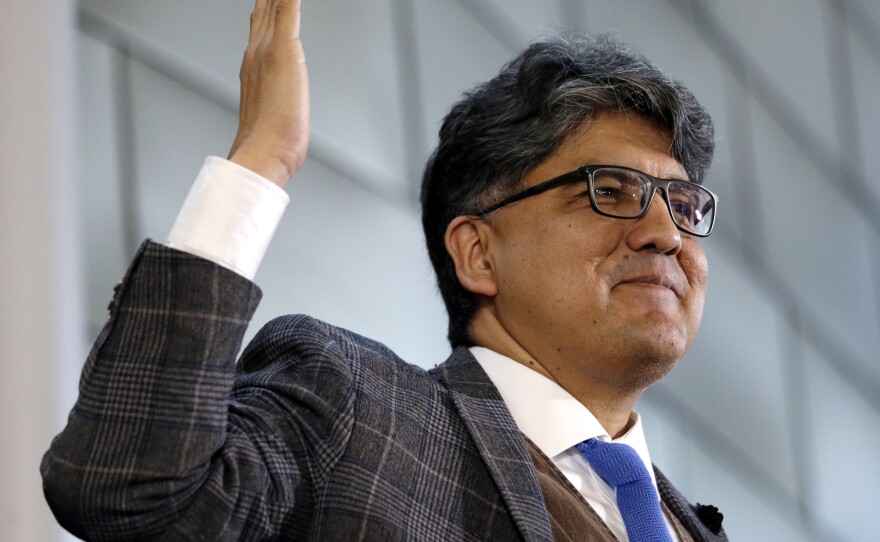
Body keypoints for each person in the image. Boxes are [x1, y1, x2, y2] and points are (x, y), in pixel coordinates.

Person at [42, 0, 726, 540]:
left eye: (684, 202)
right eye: (610, 191)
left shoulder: (692, 527)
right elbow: (128, 486)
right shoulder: (354, 410)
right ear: (477, 253)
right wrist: (262, 159)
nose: (665, 233)